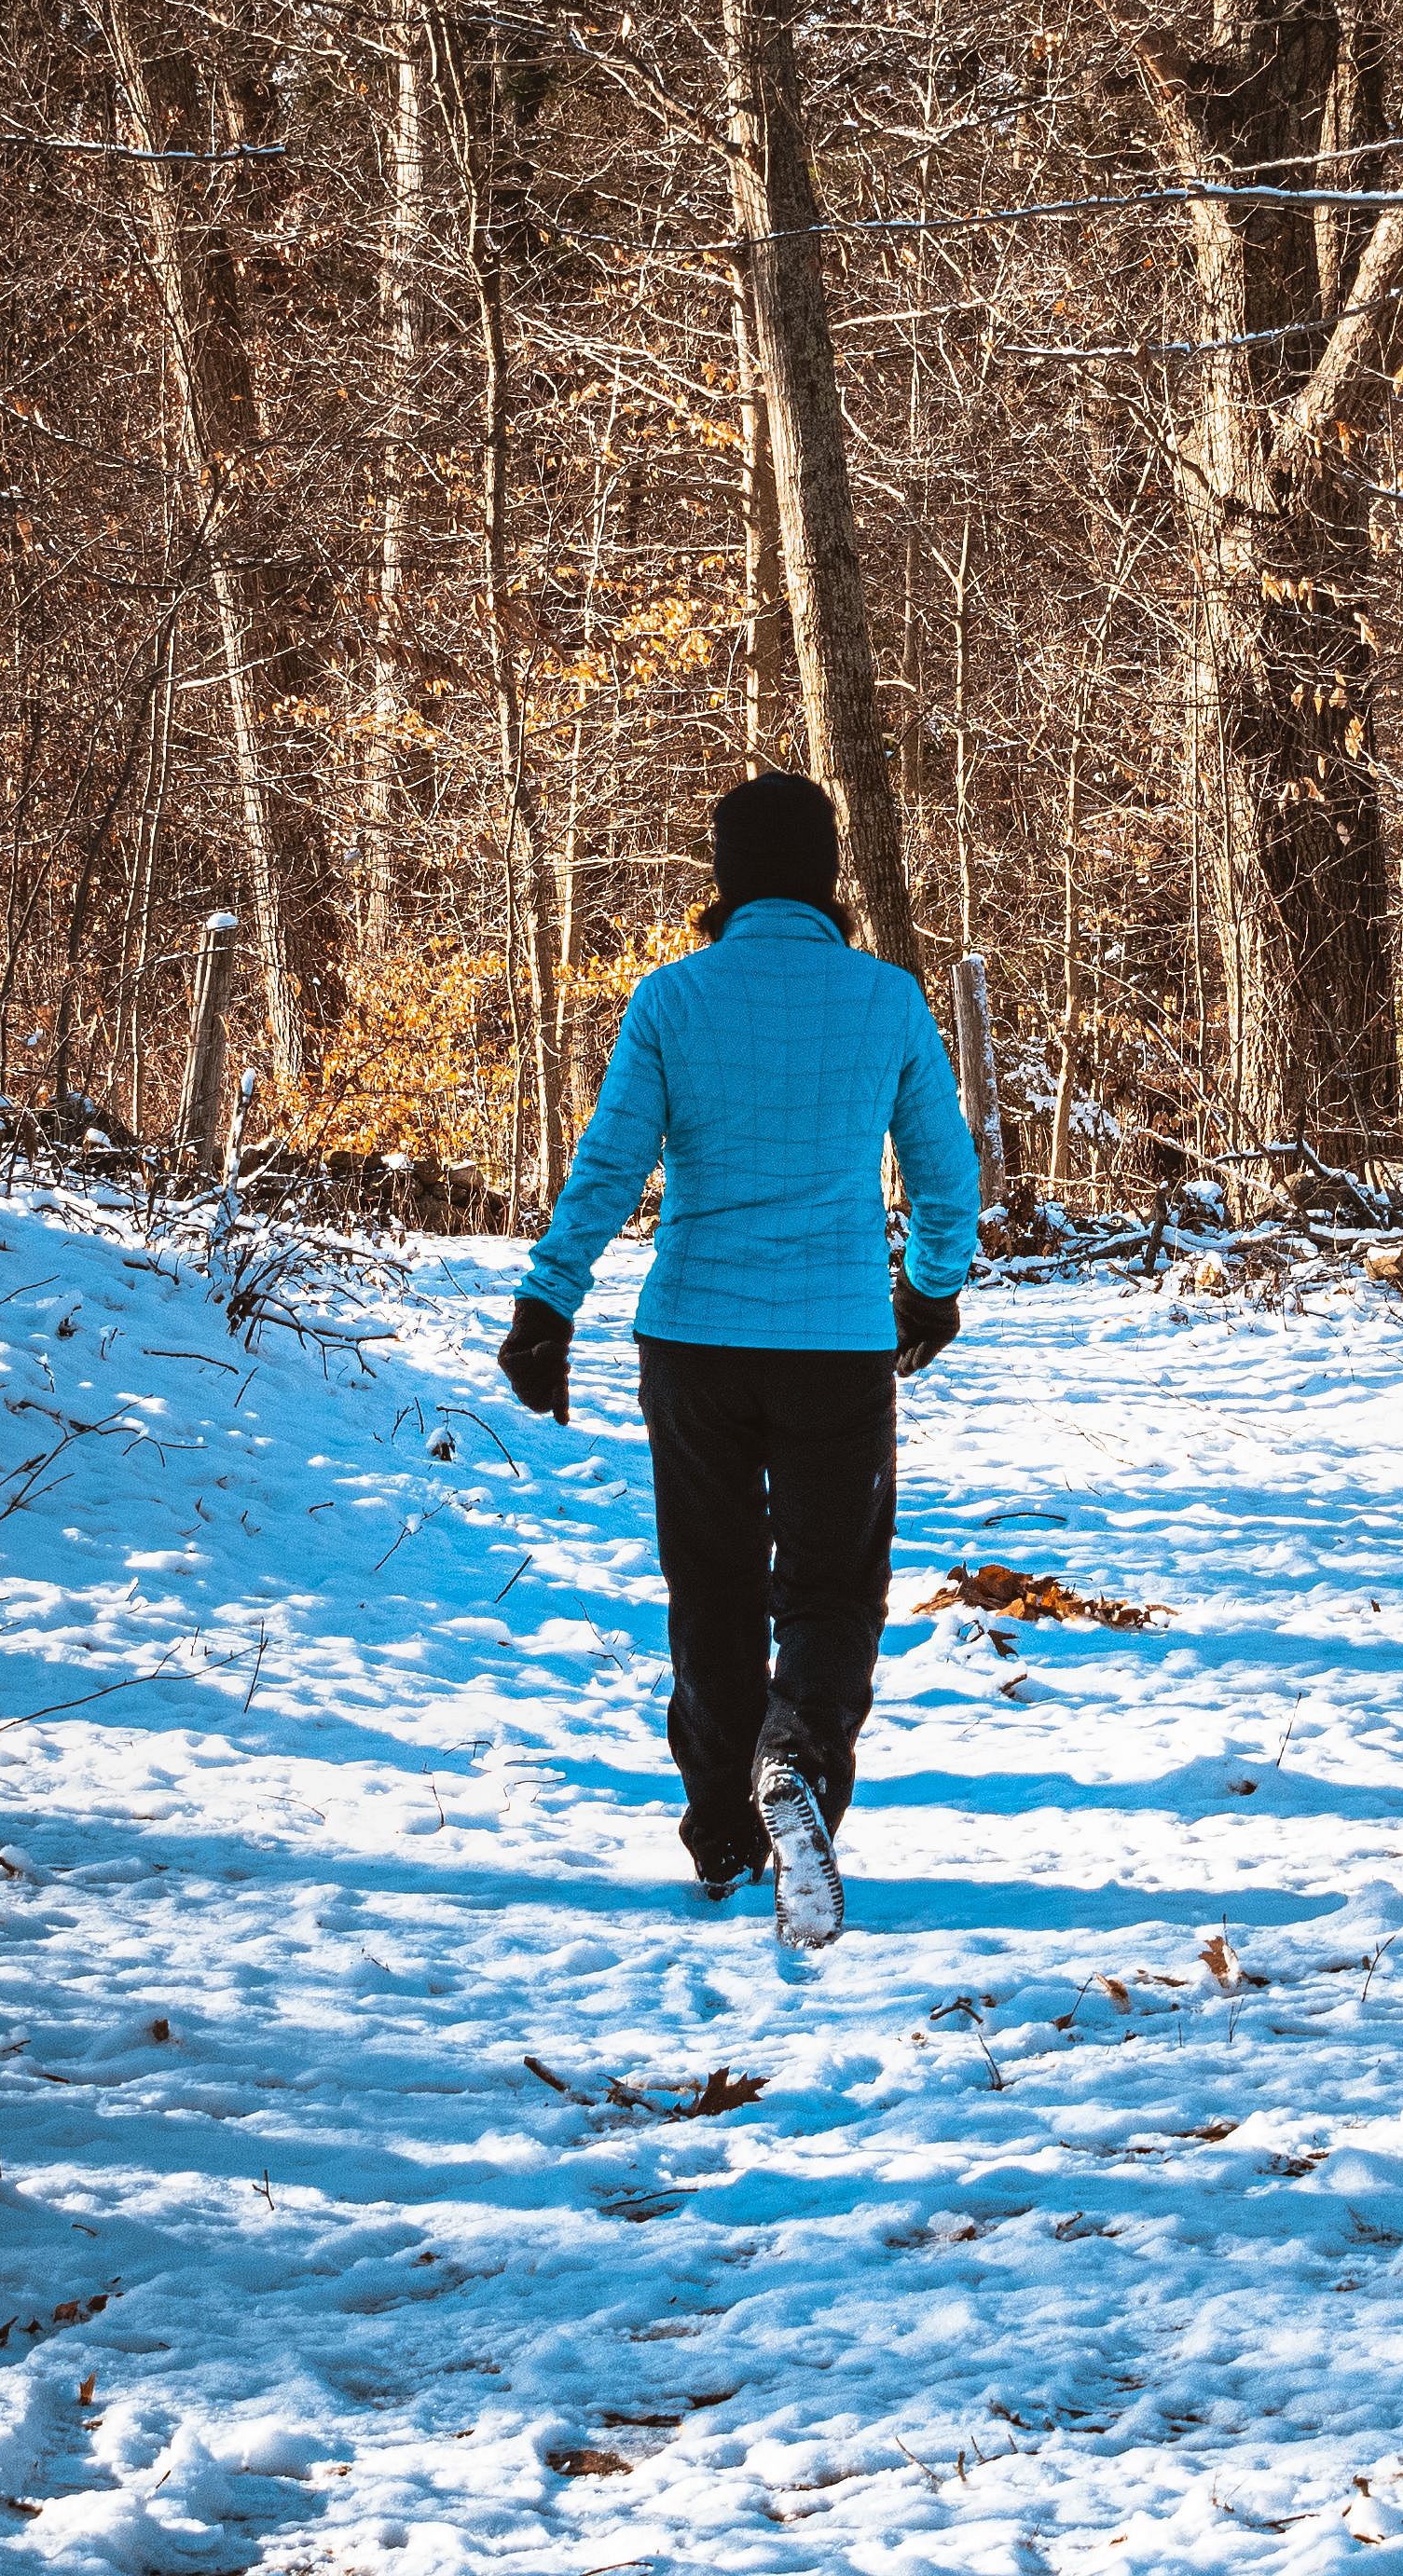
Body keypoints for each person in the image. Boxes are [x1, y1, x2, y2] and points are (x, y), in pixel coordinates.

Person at [493, 772, 979, 1946]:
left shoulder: (672, 1000)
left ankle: (719, 1827)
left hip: (694, 1345)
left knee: (708, 1584)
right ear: (826, 874)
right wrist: (926, 1291)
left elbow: (609, 1167)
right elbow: (945, 1179)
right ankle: (796, 1764)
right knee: (829, 1589)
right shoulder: (888, 1002)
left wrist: (547, 1302)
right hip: (834, 1345)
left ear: (723, 876)